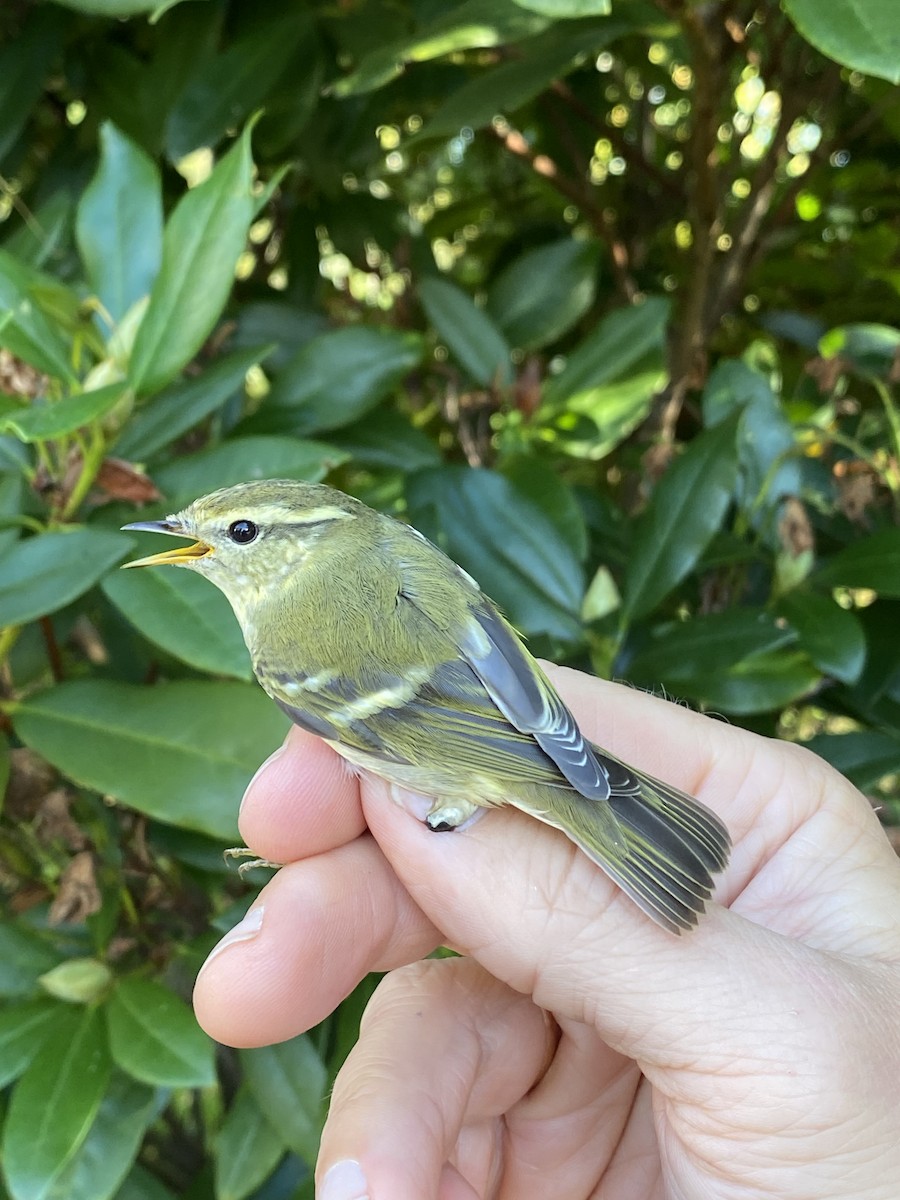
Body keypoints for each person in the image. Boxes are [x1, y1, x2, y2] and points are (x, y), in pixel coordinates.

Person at [193, 664, 900, 1200]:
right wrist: (556, 750)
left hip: (457, 753)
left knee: (413, 821)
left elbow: (416, 735)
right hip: (519, 709)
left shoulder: (286, 653)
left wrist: (482, 795)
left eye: (242, 533)